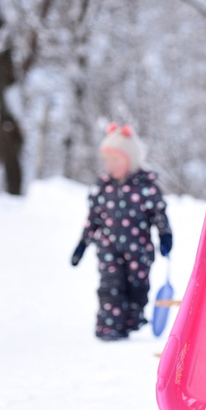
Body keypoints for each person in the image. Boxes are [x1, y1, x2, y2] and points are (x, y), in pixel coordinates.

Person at [71, 123, 173, 341]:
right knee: (110, 286)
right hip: (108, 249)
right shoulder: (102, 187)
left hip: (139, 251)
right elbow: (94, 219)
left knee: (137, 287)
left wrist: (165, 235)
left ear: (130, 159)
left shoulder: (147, 186)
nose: (109, 165)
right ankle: (109, 326)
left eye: (115, 159)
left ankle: (131, 320)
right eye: (106, 160)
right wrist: (82, 244)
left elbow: (159, 214)